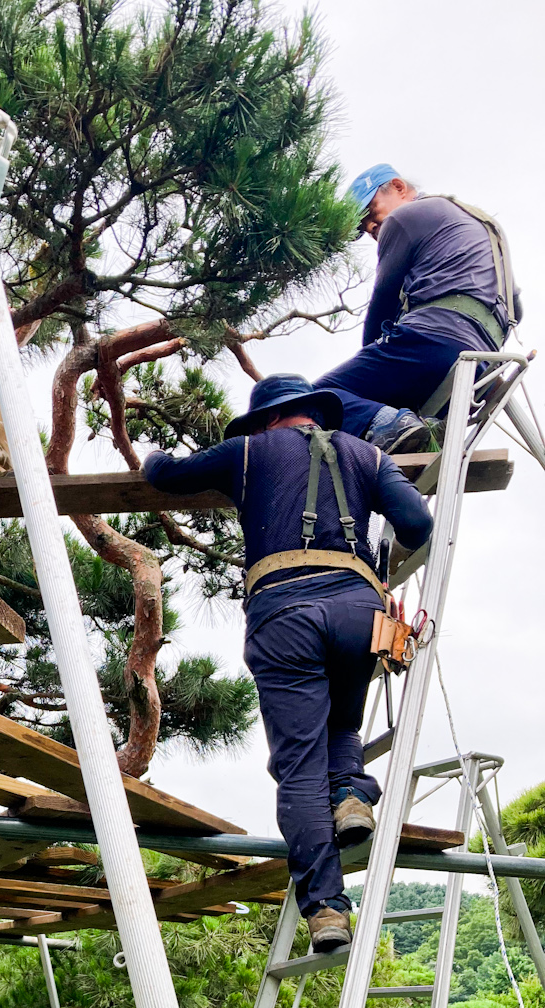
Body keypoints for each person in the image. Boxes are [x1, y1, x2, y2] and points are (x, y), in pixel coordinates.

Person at [142, 374, 433, 952]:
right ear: (313, 413)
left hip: (285, 612)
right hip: (358, 611)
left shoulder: (248, 450)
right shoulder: (367, 454)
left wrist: (150, 457)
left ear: (269, 418)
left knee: (299, 764)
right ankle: (350, 794)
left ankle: (327, 910)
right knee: (342, 725)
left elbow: (168, 476)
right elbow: (418, 524)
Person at [312, 165, 520, 453]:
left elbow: (382, 305)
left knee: (312, 399)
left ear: (398, 187)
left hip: (432, 343)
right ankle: (411, 431)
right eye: (363, 226)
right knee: (383, 419)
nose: (370, 227)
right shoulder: (482, 227)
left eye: (370, 212)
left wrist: (373, 361)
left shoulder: (405, 216)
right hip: (484, 361)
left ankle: (394, 425)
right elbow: (516, 307)